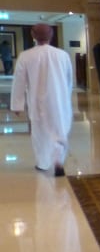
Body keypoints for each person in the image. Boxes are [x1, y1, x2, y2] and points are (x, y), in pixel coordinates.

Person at [10, 23, 73, 177]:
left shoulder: (26, 55)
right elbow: (69, 79)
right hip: (59, 100)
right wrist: (66, 96)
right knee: (59, 130)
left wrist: (17, 105)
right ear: (51, 35)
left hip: (37, 100)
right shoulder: (62, 55)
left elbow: (19, 81)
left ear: (33, 35)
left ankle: (43, 163)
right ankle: (58, 160)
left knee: (40, 132)